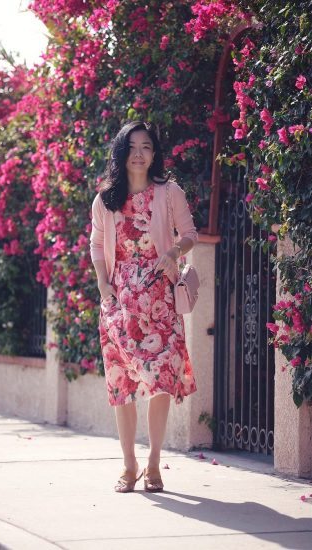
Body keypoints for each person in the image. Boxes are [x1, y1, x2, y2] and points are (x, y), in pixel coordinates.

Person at [90, 121, 197, 493]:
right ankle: (128, 464)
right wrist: (103, 284)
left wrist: (173, 252)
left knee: (160, 381)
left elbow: (189, 234)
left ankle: (153, 463)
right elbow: (96, 244)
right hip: (117, 304)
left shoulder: (169, 193)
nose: (139, 153)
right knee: (122, 383)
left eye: (146, 146)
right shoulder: (105, 199)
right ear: (121, 152)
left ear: (154, 153)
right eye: (132, 147)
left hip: (159, 303)